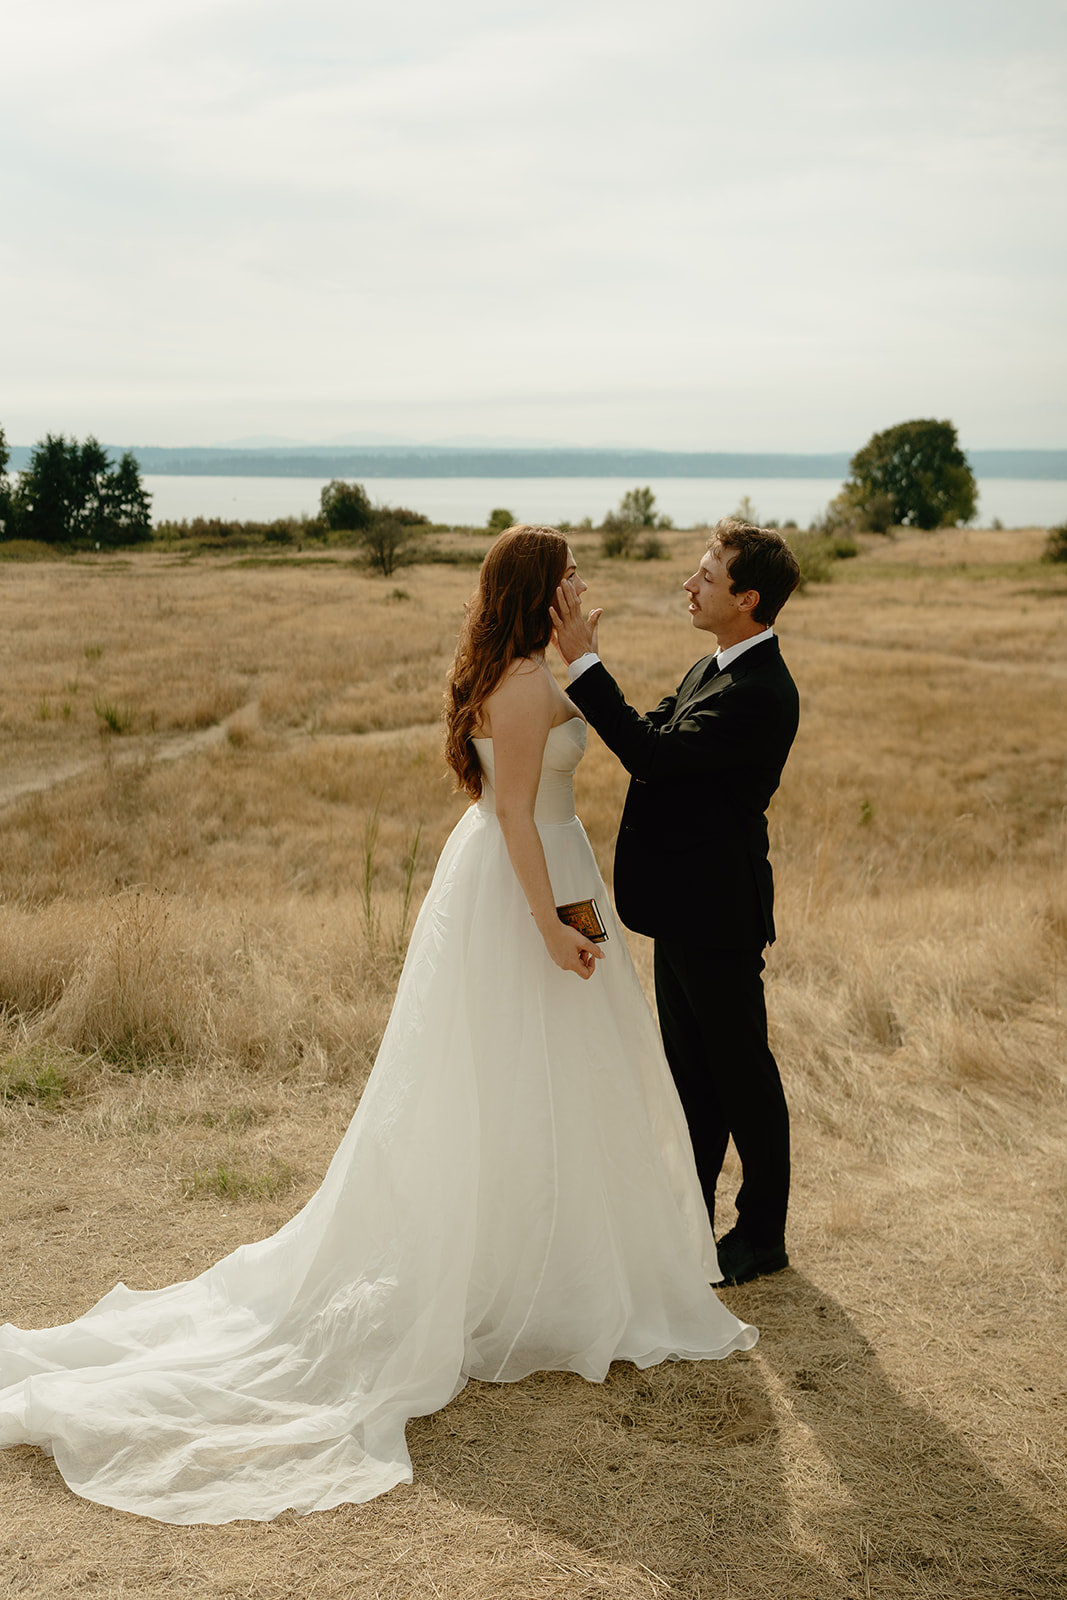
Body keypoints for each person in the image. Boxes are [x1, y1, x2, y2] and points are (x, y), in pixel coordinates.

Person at [0, 525, 755, 1527]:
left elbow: (577, 769)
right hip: (533, 879)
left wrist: (587, 653)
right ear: (537, 589)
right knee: (523, 1070)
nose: (582, 583)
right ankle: (527, 1272)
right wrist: (551, 925)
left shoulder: (531, 667)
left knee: (550, 1078)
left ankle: (549, 1254)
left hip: (536, 869)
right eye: (568, 574)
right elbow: (522, 813)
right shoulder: (526, 686)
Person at [552, 519, 801, 1288]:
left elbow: (651, 754)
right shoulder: (714, 665)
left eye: (705, 575)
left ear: (746, 597)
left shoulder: (760, 692)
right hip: (682, 910)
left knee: (741, 1077)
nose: (688, 585)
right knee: (691, 1076)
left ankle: (760, 1236)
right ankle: (687, 1221)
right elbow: (650, 729)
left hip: (718, 915)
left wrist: (583, 664)